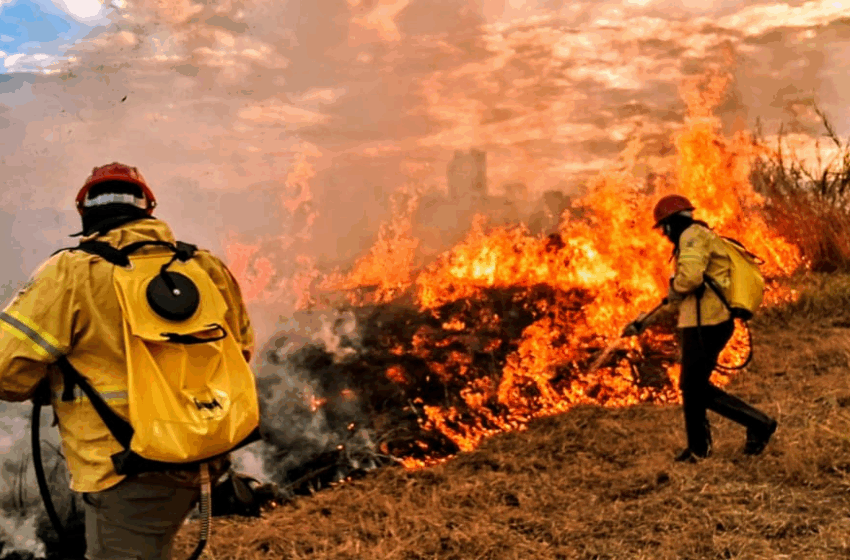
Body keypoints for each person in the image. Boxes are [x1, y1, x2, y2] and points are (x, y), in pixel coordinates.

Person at [0, 163, 256, 559]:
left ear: (84, 212)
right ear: (148, 208)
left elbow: (5, 372)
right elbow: (241, 351)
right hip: (206, 454)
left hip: (128, 468)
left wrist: (52, 378)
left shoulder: (71, 272)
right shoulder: (206, 266)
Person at [623, 194, 777, 463]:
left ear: (671, 223)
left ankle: (758, 423)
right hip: (702, 322)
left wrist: (674, 285)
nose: (664, 235)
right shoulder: (698, 237)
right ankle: (698, 448)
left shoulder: (691, 236)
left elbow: (689, 280)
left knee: (694, 387)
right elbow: (681, 296)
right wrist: (643, 322)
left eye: (663, 229)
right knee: (692, 386)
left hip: (708, 324)